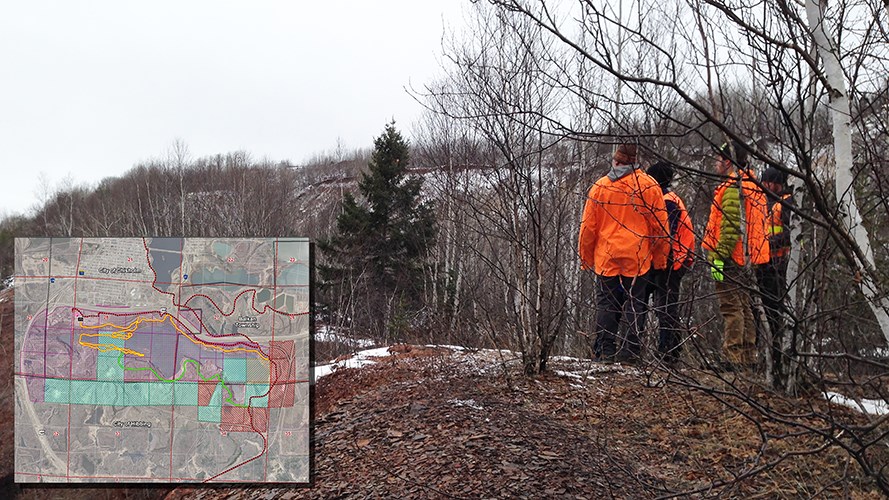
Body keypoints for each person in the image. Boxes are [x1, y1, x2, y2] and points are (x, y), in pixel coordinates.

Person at [578, 143, 670, 363]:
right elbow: (660, 227)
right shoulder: (648, 186)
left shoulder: (600, 187)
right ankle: (630, 354)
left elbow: (588, 228)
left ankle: (605, 351)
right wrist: (660, 259)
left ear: (615, 161)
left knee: (607, 303)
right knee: (635, 303)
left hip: (606, 256)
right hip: (638, 256)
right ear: (635, 161)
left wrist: (586, 258)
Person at [702, 141, 770, 371]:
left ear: (728, 161)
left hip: (732, 258)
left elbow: (730, 229)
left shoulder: (733, 188)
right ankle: (749, 356)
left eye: (719, 159)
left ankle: (732, 357)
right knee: (746, 307)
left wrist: (718, 257)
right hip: (751, 258)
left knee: (732, 308)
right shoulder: (754, 185)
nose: (716, 163)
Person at [645, 161, 696, 364]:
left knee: (665, 307)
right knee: (666, 306)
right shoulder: (670, 198)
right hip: (676, 258)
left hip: (672, 260)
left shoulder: (667, 201)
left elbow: (666, 234)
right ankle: (670, 351)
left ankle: (668, 353)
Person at [757, 166, 793, 372]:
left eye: (766, 182)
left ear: (774, 183)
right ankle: (768, 356)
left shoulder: (786, 203)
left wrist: (765, 243)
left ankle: (778, 356)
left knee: (774, 312)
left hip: (778, 266)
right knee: (763, 312)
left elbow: (789, 234)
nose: (763, 185)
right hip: (764, 264)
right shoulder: (765, 202)